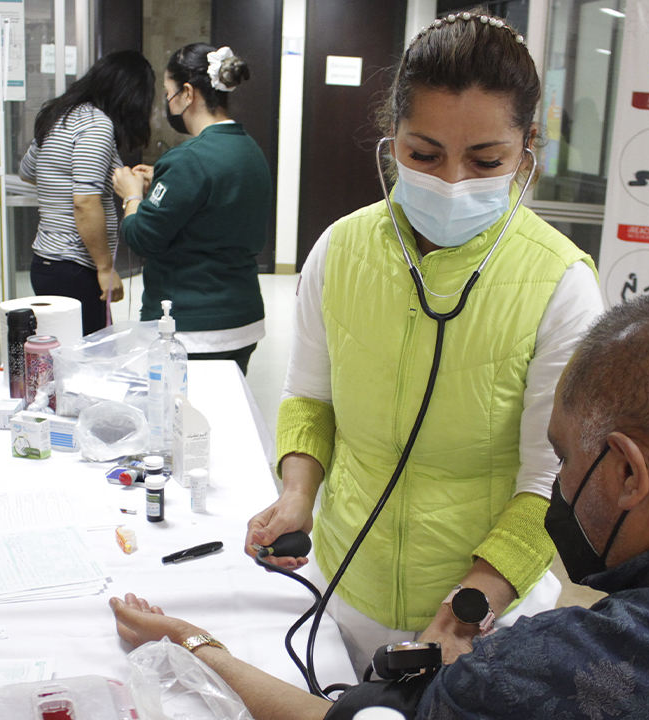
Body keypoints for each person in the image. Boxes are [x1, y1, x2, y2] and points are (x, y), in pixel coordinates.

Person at [110, 292, 649, 720]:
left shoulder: (575, 667)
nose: (555, 485)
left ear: (624, 471)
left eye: (564, 458)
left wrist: (197, 645)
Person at [242, 11, 603, 673]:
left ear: (528, 149)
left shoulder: (562, 286)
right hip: (347, 587)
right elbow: (308, 401)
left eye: (486, 159)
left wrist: (472, 603)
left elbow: (549, 482)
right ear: (392, 136)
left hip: (484, 619)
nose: (453, 182)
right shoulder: (340, 250)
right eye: (425, 154)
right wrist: (297, 492)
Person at [112, 43, 272, 374]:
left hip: (192, 328)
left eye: (169, 94)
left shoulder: (188, 158)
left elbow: (142, 237)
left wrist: (132, 196)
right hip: (242, 319)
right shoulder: (249, 150)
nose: (168, 104)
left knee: (181, 422)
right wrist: (163, 182)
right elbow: (215, 200)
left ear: (187, 93)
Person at [20, 50, 156, 335]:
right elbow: (85, 202)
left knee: (61, 356)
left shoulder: (59, 116)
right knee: (90, 361)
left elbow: (29, 171)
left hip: (46, 263)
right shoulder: (96, 125)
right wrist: (105, 269)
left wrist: (126, 179)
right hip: (75, 266)